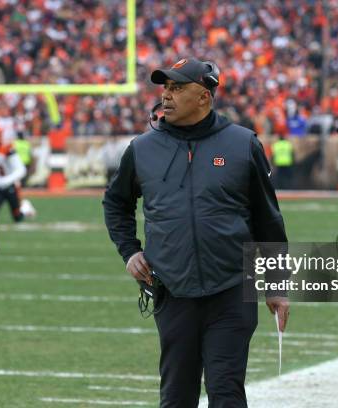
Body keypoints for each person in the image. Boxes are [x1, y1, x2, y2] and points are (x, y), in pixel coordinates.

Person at [103, 57, 289, 407]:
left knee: (226, 392)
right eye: (165, 88)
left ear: (203, 96)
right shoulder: (142, 148)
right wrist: (129, 251)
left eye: (177, 88)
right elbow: (115, 204)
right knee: (176, 396)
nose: (167, 96)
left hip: (232, 288)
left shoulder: (243, 144)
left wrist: (277, 283)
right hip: (173, 291)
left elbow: (269, 220)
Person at [0, 123, 36, 255]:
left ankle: (25, 208)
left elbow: (21, 170)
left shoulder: (7, 149)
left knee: (17, 218)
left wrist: (6, 180)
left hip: (11, 186)